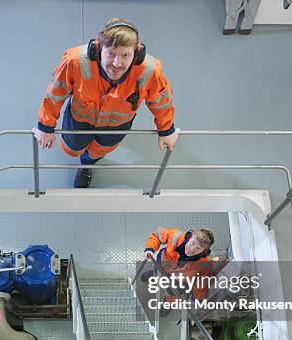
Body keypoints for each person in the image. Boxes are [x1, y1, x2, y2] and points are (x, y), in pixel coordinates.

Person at [33, 18, 179, 188]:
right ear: (99, 49)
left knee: (98, 151)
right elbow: (55, 93)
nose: (117, 64)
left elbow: (161, 101)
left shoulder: (150, 71)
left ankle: (87, 165)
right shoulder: (75, 62)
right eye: (111, 54)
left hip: (116, 126)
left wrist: (166, 129)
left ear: (136, 54)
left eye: (125, 55)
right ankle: (82, 156)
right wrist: (46, 126)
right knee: (71, 148)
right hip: (78, 120)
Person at [143, 227, 215, 300]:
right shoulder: (176, 236)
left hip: (179, 280)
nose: (192, 249)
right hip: (163, 264)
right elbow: (157, 236)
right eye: (193, 243)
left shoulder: (205, 263)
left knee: (173, 292)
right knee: (157, 270)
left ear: (203, 251)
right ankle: (154, 275)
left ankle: (168, 302)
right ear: (191, 237)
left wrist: (198, 297)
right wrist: (150, 249)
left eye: (198, 248)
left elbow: (202, 281)